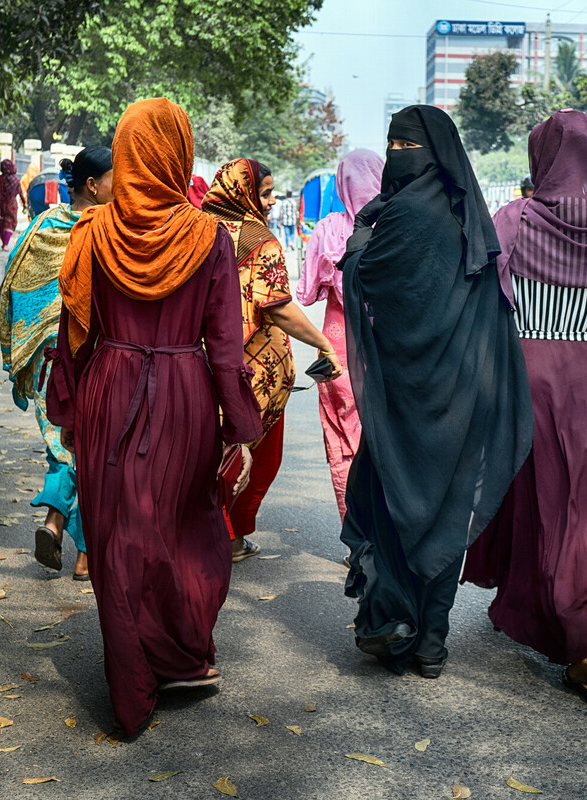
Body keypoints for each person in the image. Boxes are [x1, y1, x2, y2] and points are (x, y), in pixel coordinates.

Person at [47, 98, 262, 736]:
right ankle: (177, 656)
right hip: (184, 395)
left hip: (108, 393)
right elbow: (226, 346)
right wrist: (241, 428)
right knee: (183, 529)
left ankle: (134, 675)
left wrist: (66, 408)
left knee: (117, 538)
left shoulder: (91, 232)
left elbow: (73, 334)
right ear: (179, 154)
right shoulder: (210, 237)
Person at [462, 110, 587, 706]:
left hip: (524, 380)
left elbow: (483, 295)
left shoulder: (514, 221)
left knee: (536, 500)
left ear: (540, 158)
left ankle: (538, 610)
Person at [338, 105, 532, 679]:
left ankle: (396, 624)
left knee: (393, 499)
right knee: (448, 507)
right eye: (392, 144)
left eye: (406, 144)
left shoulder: (393, 218)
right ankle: (433, 641)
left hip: (399, 397)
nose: (399, 155)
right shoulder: (472, 222)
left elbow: (361, 275)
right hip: (463, 394)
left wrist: (364, 230)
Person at [202, 159, 342, 561]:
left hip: (200, 360)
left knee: (210, 453)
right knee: (254, 458)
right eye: (264, 193)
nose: (270, 201)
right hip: (251, 371)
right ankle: (228, 537)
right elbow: (278, 307)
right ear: (243, 193)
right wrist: (323, 343)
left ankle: (208, 534)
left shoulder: (193, 228)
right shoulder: (257, 238)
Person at [0, 146, 114, 582]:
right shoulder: (106, 228)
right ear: (93, 185)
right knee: (95, 451)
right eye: (114, 179)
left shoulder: (45, 223)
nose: (120, 186)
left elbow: (13, 277)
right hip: (91, 356)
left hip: (46, 357)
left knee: (61, 446)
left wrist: (16, 331)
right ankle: (85, 556)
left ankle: (53, 521)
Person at [296, 148, 383, 521]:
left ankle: (354, 532)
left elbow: (308, 292)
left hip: (337, 347)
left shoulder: (329, 229)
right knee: (385, 441)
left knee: (342, 440)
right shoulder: (398, 227)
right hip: (388, 347)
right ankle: (385, 532)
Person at [0, 159, 25, 250]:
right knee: (10, 223)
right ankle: (6, 244)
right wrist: (24, 203)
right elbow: (20, 193)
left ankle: (4, 243)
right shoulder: (15, 180)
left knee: (1, 224)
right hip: (11, 205)